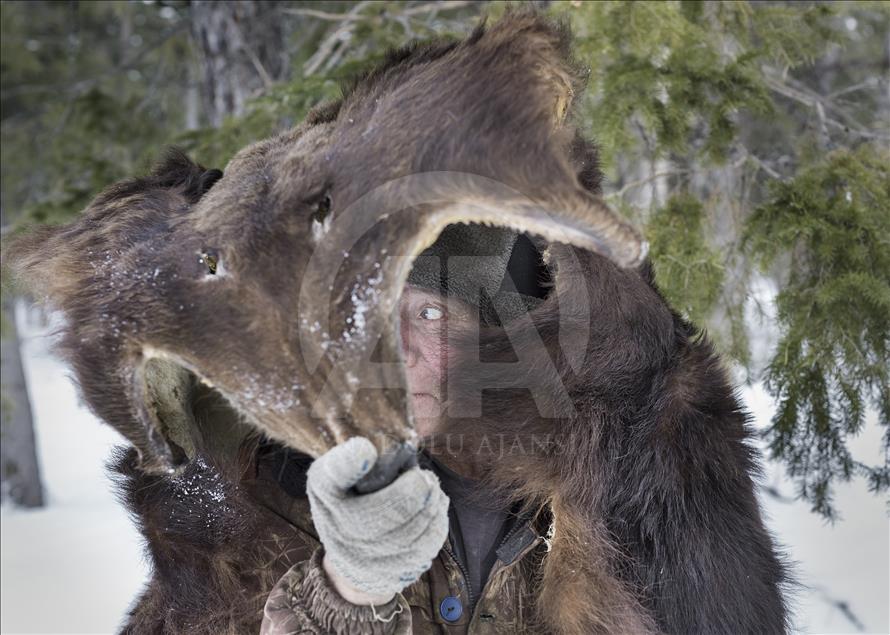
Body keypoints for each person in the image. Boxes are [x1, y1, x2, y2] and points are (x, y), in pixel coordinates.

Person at [260, 224, 550, 634]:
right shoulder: (282, 495)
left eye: (430, 313)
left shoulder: (600, 500)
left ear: (498, 343)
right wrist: (350, 585)